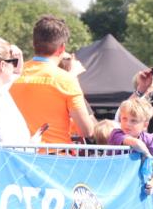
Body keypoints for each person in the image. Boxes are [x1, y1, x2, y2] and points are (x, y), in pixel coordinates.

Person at [9, 15, 95, 146]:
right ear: (62, 48)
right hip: (55, 160)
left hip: (19, 157)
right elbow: (87, 131)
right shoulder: (67, 80)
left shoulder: (12, 75)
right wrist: (74, 78)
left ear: (34, 44)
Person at [110, 96, 153, 194]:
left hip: (136, 188)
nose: (127, 124)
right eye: (124, 118)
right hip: (116, 186)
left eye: (133, 121)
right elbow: (136, 143)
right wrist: (147, 154)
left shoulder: (148, 138)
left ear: (145, 125)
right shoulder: (116, 134)